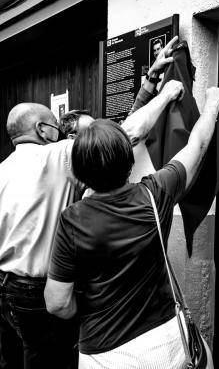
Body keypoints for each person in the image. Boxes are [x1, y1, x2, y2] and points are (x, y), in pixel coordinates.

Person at [0, 36, 179, 369]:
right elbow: (127, 134)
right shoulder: (55, 156)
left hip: (7, 290)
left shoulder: (4, 170)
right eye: (58, 128)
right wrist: (166, 93)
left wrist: (150, 82)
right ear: (43, 129)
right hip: (44, 294)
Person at [44, 76, 219, 369]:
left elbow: (57, 302)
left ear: (79, 169)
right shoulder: (156, 192)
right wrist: (213, 103)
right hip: (165, 343)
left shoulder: (73, 220)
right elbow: (198, 144)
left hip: (105, 354)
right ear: (128, 159)